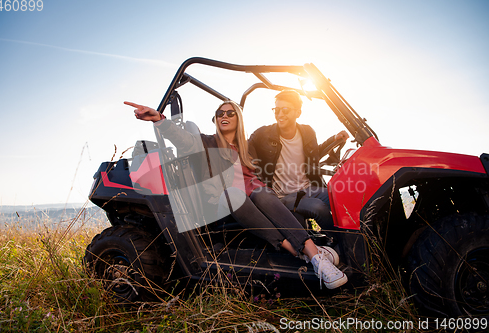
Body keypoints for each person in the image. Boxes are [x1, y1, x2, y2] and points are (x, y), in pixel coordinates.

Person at [124, 100, 348, 289]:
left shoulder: (247, 148)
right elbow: (181, 138)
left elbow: (280, 154)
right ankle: (308, 252)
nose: (224, 115)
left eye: (230, 112)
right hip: (223, 202)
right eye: (220, 113)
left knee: (262, 193)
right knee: (234, 193)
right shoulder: (205, 143)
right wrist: (159, 119)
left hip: (254, 198)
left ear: (238, 119)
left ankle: (314, 257)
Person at [248, 89, 349, 233]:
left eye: (285, 110)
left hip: (308, 188)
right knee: (318, 208)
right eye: (276, 110)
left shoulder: (308, 132)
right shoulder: (262, 134)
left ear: (298, 113)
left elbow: (314, 154)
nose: (280, 114)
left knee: (342, 196)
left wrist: (334, 139)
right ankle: (337, 242)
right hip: (283, 195)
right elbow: (246, 152)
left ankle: (359, 235)